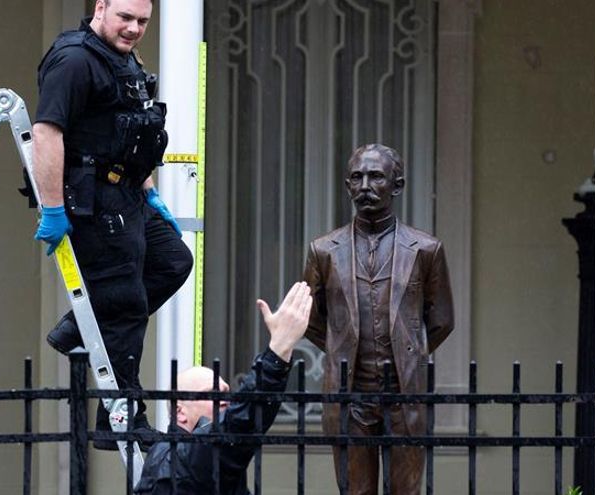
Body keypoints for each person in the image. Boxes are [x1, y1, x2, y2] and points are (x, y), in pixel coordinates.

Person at [31, 0, 193, 450]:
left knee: (174, 261)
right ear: (100, 7)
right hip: (91, 200)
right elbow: (47, 132)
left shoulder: (123, 61)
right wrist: (52, 209)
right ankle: (121, 418)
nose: (134, 28)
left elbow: (137, 133)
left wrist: (149, 189)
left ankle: (78, 328)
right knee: (123, 302)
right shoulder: (75, 59)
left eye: (143, 21)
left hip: (129, 193)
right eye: (125, 17)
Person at [303, 144, 454, 494]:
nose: (365, 185)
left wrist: (410, 348)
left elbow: (442, 319)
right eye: (357, 177)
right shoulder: (324, 250)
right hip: (350, 396)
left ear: (396, 186)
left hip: (404, 394)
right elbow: (311, 319)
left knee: (405, 491)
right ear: (347, 185)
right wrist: (341, 343)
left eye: (376, 177)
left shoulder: (426, 249)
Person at [134, 282, 313, 494]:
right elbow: (239, 422)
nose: (226, 400)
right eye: (212, 394)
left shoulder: (202, 455)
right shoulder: (180, 456)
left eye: (226, 393)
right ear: (180, 412)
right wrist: (278, 350)